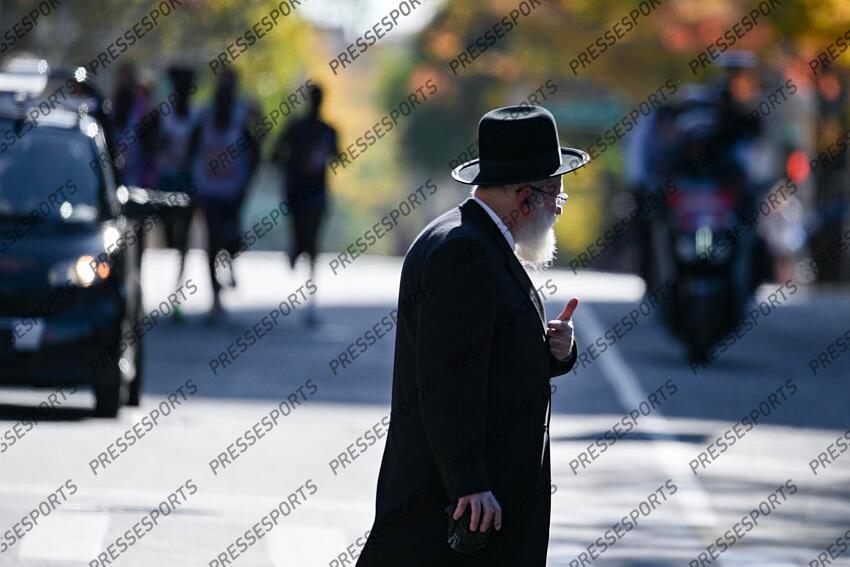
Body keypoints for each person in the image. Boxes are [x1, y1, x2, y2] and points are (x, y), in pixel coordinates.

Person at [356, 106, 585, 567]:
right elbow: (446, 382)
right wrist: (469, 483)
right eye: (555, 196)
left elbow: (485, 355)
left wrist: (554, 352)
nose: (559, 209)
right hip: (459, 510)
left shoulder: (472, 239)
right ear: (525, 198)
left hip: (472, 503)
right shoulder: (464, 252)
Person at [187, 68, 260, 323]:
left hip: (232, 192)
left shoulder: (241, 121)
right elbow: (191, 151)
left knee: (232, 238)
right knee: (211, 240)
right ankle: (215, 297)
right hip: (209, 191)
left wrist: (245, 184)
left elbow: (255, 152)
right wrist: (194, 183)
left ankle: (229, 263)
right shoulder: (205, 118)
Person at [272, 81, 338, 326]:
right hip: (296, 193)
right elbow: (275, 155)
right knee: (301, 237)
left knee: (312, 242)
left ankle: (310, 297)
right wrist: (294, 163)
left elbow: (337, 155)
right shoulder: (295, 128)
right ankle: (295, 251)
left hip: (317, 194)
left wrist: (324, 155)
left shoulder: (328, 131)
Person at [157, 64, 197, 319]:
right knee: (169, 237)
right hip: (166, 184)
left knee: (183, 240)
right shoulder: (164, 117)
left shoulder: (197, 119)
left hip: (187, 184)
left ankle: (177, 293)